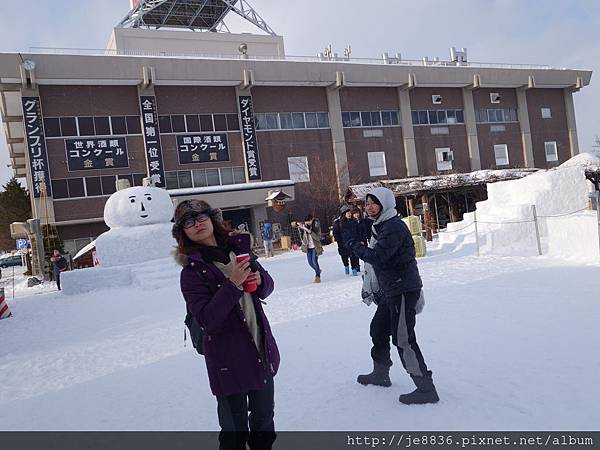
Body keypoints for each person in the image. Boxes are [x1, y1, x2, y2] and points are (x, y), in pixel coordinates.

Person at [173, 199, 279, 449]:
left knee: (264, 423)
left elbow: (267, 287)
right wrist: (232, 285)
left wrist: (259, 279)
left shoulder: (238, 250)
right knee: (234, 431)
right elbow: (207, 319)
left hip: (258, 348)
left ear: (212, 219)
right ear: (183, 232)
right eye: (188, 222)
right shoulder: (191, 272)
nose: (197, 224)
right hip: (226, 360)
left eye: (201, 217)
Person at [341, 187, 438, 405]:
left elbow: (379, 256)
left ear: (385, 204)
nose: (369, 207)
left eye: (373, 203)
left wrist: (353, 245)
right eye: (367, 204)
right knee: (378, 329)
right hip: (390, 290)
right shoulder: (381, 224)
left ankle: (425, 388)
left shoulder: (393, 226)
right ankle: (381, 373)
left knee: (403, 338)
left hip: (403, 289)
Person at [293, 214, 323, 283]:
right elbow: (293, 225)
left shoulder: (316, 226)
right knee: (310, 263)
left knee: (314, 261)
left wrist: (310, 232)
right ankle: (318, 270)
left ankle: (317, 276)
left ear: (312, 220)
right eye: (306, 222)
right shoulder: (305, 226)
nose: (308, 223)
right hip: (308, 247)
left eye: (309, 221)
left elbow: (318, 238)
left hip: (315, 247)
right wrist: (296, 223)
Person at [332, 206, 360, 276]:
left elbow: (358, 231)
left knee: (354, 256)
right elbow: (336, 234)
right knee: (344, 257)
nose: (349, 214)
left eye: (350, 212)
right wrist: (339, 242)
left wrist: (358, 240)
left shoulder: (354, 221)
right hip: (343, 244)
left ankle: (354, 270)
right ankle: (346, 266)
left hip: (353, 242)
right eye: (348, 213)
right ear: (343, 214)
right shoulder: (338, 223)